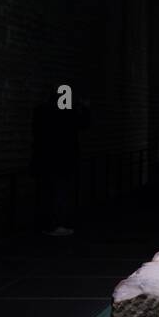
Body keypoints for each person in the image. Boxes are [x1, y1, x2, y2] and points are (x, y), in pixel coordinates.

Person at [31, 90, 91, 235]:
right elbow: (84, 123)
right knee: (61, 194)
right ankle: (57, 224)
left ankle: (48, 224)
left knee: (49, 193)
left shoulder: (42, 112)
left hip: (45, 161)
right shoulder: (67, 115)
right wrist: (84, 107)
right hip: (63, 162)